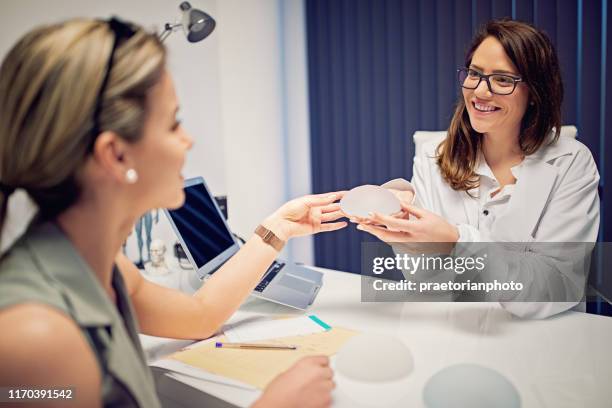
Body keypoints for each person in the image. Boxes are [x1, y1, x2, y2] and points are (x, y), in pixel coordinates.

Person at [0, 18, 346, 407]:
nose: (188, 139)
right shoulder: (36, 338)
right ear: (115, 155)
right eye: (173, 123)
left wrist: (276, 228)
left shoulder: (103, 267)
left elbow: (200, 315)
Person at [354, 19, 600, 319]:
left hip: (543, 337)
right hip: (457, 333)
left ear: (535, 92)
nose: (481, 92)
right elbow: (426, 284)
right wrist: (409, 239)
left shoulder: (571, 163)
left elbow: (557, 287)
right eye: (474, 74)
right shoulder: (434, 155)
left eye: (503, 80)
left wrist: (459, 241)